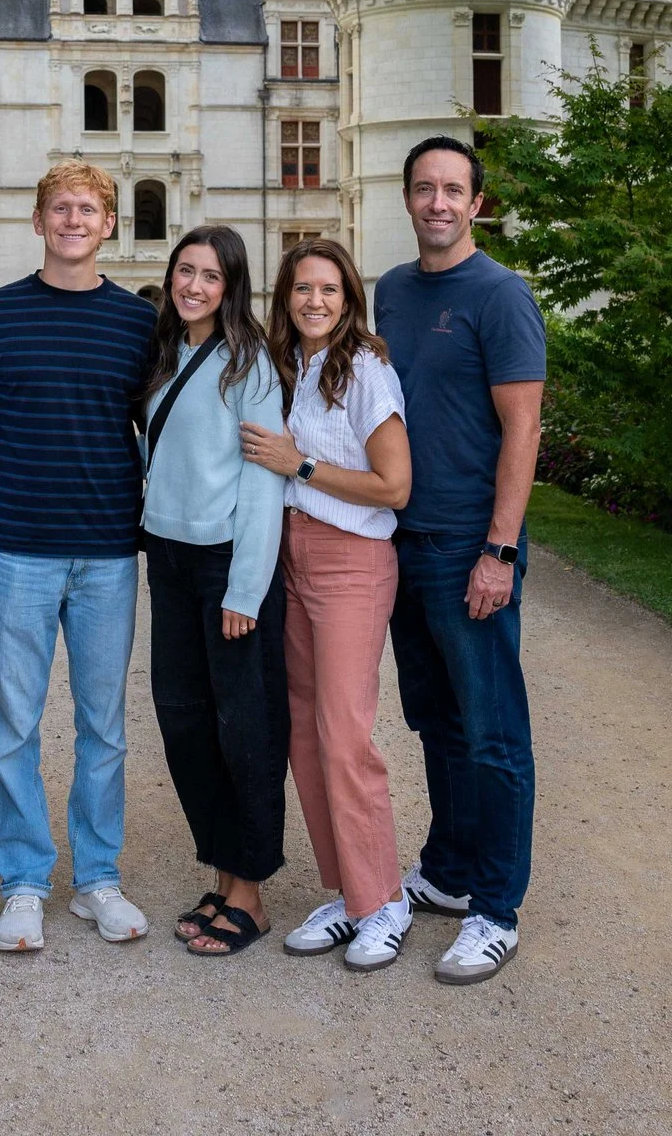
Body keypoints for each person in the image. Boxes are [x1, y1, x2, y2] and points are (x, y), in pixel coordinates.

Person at [0, 161, 160, 952]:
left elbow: (168, 429)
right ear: (37, 219)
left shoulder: (138, 324)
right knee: (14, 722)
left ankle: (97, 879)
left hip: (110, 548)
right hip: (17, 546)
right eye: (60, 208)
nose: (74, 220)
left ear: (108, 223)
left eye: (88, 209)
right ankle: (22, 880)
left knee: (103, 725)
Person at [373, 135, 545, 986]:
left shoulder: (501, 294)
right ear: (406, 199)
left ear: (477, 203)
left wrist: (500, 549)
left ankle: (496, 906)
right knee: (434, 722)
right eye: (424, 188)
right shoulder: (394, 292)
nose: (438, 202)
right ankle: (447, 868)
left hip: (467, 549)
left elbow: (523, 429)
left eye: (454, 190)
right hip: (404, 544)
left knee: (494, 733)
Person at [240, 237, 415, 970]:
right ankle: (349, 893)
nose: (315, 301)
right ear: (285, 299)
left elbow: (394, 486)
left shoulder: (367, 368)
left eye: (329, 290)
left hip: (351, 562)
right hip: (294, 554)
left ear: (349, 299)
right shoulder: (294, 368)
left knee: (346, 735)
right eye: (302, 289)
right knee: (305, 734)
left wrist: (300, 464)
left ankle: (385, 901)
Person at [138, 226, 289, 957]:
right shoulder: (170, 351)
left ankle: (251, 894)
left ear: (232, 286)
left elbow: (264, 482)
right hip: (168, 558)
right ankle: (225, 869)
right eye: (185, 270)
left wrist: (246, 590)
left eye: (210, 276)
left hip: (228, 566)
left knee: (245, 731)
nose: (193, 285)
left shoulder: (251, 364)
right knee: (186, 724)